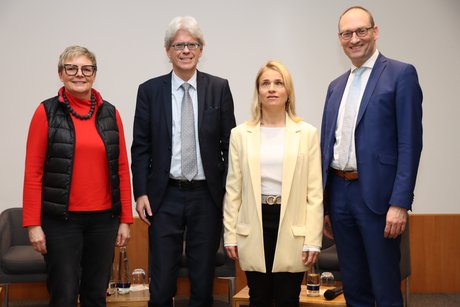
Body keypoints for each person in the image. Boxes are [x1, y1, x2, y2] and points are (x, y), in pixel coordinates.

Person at [320, 6, 423, 307]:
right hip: (340, 196)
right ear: (340, 39)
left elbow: (410, 144)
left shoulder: (401, 74)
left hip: (379, 200)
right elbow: (330, 146)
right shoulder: (335, 87)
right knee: (354, 287)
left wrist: (400, 203)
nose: (354, 39)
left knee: (385, 287)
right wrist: (326, 205)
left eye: (361, 31)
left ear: (375, 32)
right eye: (347, 33)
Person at [131, 16, 236, 307]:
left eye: (192, 44)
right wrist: (141, 192)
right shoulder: (150, 91)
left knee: (202, 280)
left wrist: (229, 194)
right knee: (162, 280)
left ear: (201, 49)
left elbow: (231, 146)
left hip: (207, 196)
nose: (186, 50)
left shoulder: (219, 88)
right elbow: (141, 146)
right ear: (167, 51)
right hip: (164, 196)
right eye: (179, 45)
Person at [23, 45, 133, 307]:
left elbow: (121, 169)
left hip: (104, 221)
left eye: (86, 69)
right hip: (61, 222)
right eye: (71, 68)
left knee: (97, 294)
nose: (79, 74)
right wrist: (33, 224)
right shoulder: (45, 112)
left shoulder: (110, 113)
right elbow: (33, 171)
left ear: (94, 74)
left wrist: (125, 219)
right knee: (64, 293)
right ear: (61, 73)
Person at [224, 60, 324, 307]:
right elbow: (233, 189)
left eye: (278, 83)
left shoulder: (307, 133)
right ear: (258, 91)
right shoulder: (240, 134)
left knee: (288, 298)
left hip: (292, 224)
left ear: (288, 91)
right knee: (258, 297)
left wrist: (313, 239)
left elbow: (314, 192)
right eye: (265, 83)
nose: (271, 88)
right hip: (254, 222)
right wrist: (230, 234)